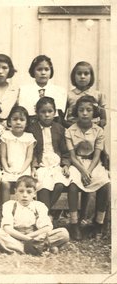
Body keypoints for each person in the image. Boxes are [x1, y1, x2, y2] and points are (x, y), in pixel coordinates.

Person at [65, 95, 110, 240]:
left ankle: (98, 223)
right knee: (72, 185)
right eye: (81, 110)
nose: (85, 113)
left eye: (88, 110)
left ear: (94, 113)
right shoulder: (70, 131)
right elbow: (72, 156)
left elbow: (97, 155)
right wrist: (83, 171)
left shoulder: (98, 131)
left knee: (105, 184)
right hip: (77, 164)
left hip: (93, 164)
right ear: (76, 112)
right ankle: (74, 224)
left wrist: (89, 171)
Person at [0, 175, 69, 255]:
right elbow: (7, 229)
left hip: (36, 236)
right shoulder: (9, 205)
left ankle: (25, 248)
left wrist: (31, 238)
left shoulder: (39, 206)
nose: (24, 195)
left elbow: (47, 228)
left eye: (29, 192)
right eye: (21, 191)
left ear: (34, 193)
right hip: (15, 237)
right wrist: (28, 240)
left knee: (64, 233)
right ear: (15, 192)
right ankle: (39, 248)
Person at [28, 97, 71, 211]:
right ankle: (46, 216)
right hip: (41, 165)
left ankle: (43, 213)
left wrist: (65, 165)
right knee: (44, 186)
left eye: (50, 111)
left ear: (54, 112)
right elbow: (31, 152)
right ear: (37, 113)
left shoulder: (59, 129)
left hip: (56, 164)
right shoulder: (32, 129)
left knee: (60, 184)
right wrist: (33, 167)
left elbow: (65, 151)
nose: (47, 115)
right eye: (43, 112)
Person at [0, 106, 36, 204]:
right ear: (9, 121)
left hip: (23, 169)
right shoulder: (5, 136)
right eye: (15, 119)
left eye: (22, 120)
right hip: (9, 168)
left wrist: (21, 171)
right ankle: (5, 211)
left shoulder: (29, 137)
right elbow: (3, 156)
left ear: (27, 122)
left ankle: (22, 209)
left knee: (24, 185)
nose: (18, 122)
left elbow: (29, 158)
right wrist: (7, 169)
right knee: (5, 183)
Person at [18, 55, 67, 123]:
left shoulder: (60, 91)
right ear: (33, 71)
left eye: (46, 69)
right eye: (39, 69)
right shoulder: (24, 90)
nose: (43, 73)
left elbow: (59, 116)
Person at [65, 61, 107, 128]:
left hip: (93, 131)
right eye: (79, 74)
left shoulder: (98, 94)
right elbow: (62, 120)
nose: (82, 76)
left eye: (86, 74)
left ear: (91, 76)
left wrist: (96, 126)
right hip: (73, 131)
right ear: (73, 76)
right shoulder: (68, 95)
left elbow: (103, 119)